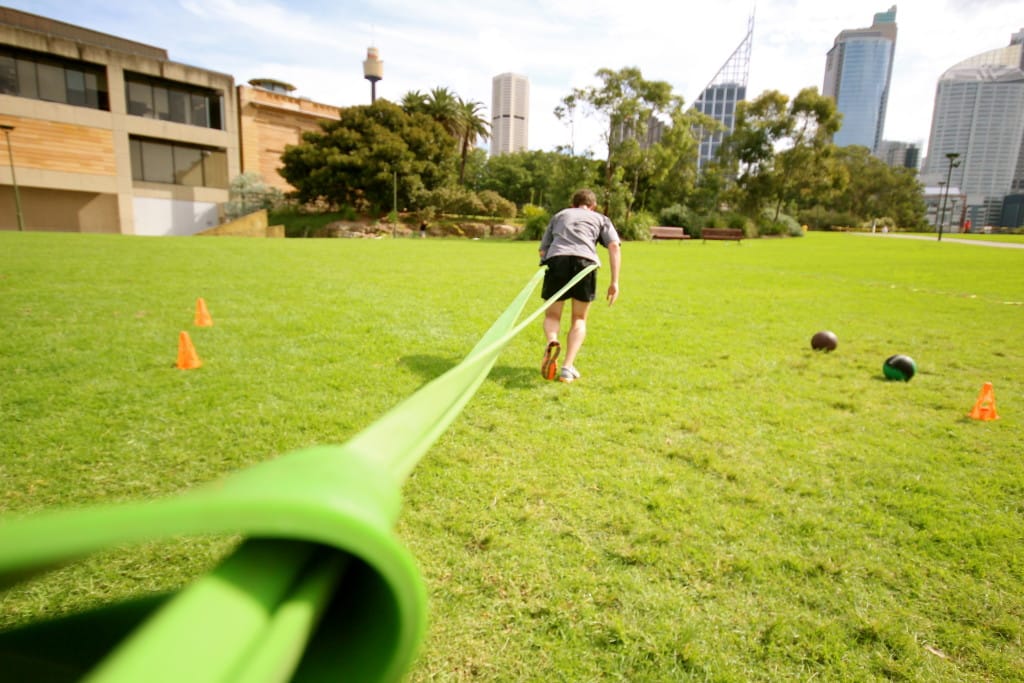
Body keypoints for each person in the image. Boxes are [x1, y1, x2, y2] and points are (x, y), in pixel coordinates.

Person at [538, 189, 621, 383]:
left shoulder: (560, 215)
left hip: (557, 260)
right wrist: (614, 282)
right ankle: (567, 368)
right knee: (579, 318)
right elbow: (614, 246)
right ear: (593, 206)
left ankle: (552, 340)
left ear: (572, 205)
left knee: (552, 315)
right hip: (585, 264)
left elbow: (543, 250)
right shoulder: (600, 218)